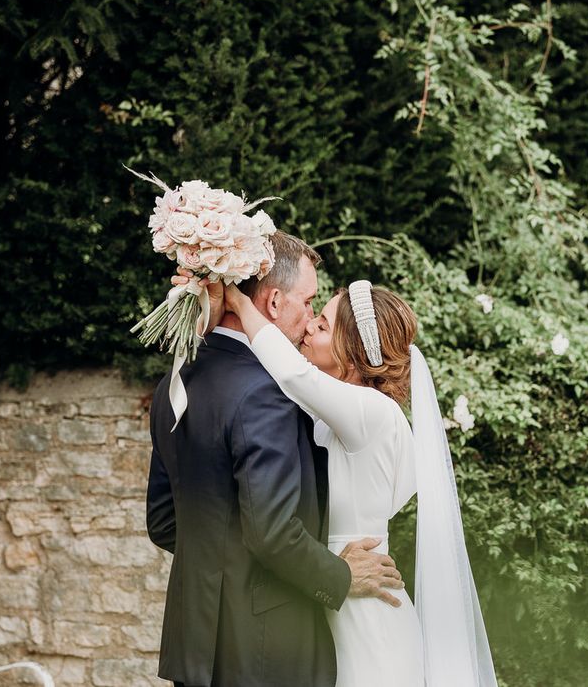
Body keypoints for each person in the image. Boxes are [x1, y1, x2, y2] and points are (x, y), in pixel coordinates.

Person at [146, 232, 405, 687]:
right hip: (268, 650)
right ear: (272, 301)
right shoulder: (268, 395)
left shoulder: (177, 382)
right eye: (308, 303)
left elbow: (165, 522)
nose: (309, 319)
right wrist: (338, 576)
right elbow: (271, 533)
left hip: (195, 648)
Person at [214, 278, 499, 687]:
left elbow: (294, 376)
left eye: (324, 326)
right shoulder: (346, 420)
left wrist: (240, 303)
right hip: (337, 592)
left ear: (352, 353)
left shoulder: (372, 412)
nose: (310, 326)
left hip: (366, 613)